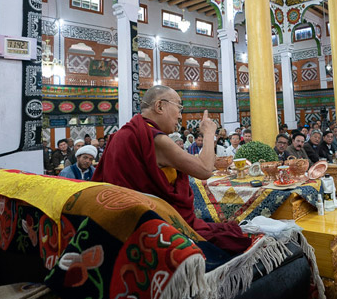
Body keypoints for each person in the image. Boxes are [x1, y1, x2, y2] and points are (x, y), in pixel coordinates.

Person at [92, 85, 250, 254]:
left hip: (117, 223)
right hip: (156, 226)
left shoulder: (124, 134)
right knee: (232, 239)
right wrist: (209, 132)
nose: (180, 115)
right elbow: (205, 170)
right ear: (160, 106)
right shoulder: (154, 138)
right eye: (179, 107)